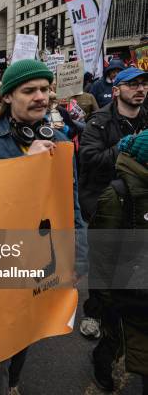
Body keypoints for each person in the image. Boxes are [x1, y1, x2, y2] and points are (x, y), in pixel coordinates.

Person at [0, 59, 87, 395]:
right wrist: (25, 165)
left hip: (39, 259)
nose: (40, 97)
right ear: (7, 97)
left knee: (26, 331)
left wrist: (79, 258)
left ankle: (13, 382)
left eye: (45, 89)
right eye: (29, 90)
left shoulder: (59, 140)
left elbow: (70, 203)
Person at [78, 67, 147, 341]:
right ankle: (94, 312)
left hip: (138, 202)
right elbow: (90, 160)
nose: (140, 89)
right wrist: (128, 145)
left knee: (131, 258)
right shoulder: (99, 121)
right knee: (102, 262)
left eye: (143, 84)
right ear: (116, 90)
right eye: (132, 85)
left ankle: (121, 309)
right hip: (104, 202)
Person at [87, 131, 148, 392]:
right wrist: (104, 301)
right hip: (126, 291)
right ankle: (102, 364)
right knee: (116, 339)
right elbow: (102, 253)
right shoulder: (118, 195)